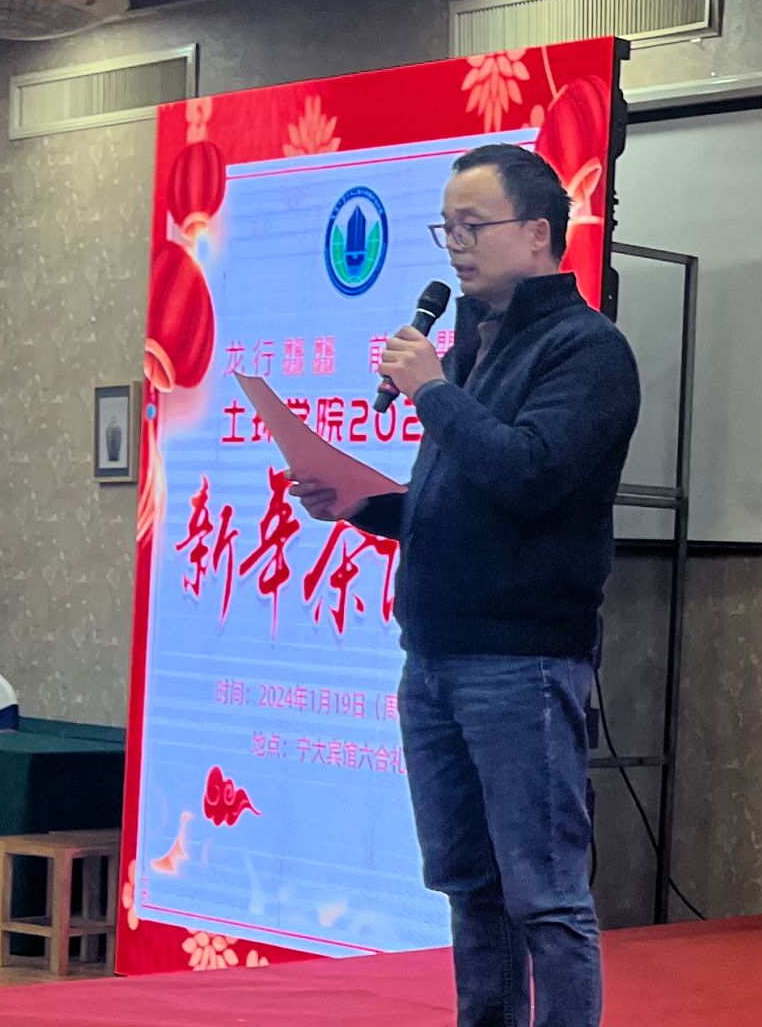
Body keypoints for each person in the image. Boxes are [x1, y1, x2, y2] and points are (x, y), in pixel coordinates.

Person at [292, 143, 639, 1027]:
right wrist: (360, 502)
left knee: (545, 895)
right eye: (446, 227)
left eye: (473, 225)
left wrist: (434, 392)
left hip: (521, 662)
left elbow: (530, 476)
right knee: (469, 885)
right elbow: (460, 502)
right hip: (435, 659)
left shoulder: (589, 351)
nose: (455, 245)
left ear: (538, 233)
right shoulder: (472, 347)